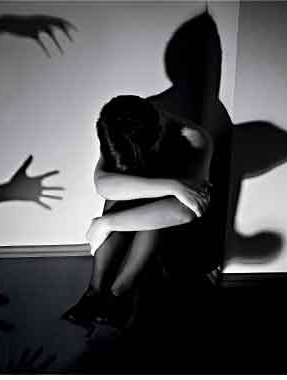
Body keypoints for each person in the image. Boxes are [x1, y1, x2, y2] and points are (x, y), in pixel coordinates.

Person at [62, 95, 214, 333]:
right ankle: (95, 291)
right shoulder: (119, 126)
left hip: (180, 239)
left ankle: (119, 293)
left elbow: (186, 211)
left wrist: (106, 223)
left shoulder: (193, 138)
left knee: (158, 206)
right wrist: (173, 186)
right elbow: (103, 184)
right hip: (138, 227)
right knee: (117, 196)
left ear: (158, 134)